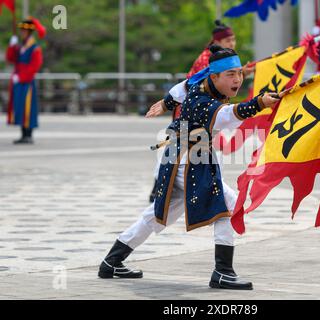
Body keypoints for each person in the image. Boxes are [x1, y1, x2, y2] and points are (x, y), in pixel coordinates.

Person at [98, 45, 279, 290]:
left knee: (157, 215)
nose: (237, 79)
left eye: (239, 73)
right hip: (188, 159)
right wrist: (259, 103)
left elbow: (178, 89)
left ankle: (112, 261)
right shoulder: (203, 101)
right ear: (214, 77)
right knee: (228, 205)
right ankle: (223, 272)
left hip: (180, 156)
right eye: (231, 75)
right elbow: (228, 114)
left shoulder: (200, 81)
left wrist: (165, 103)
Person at [148, 20, 254, 202]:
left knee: (199, 150)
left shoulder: (220, 58)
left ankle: (168, 185)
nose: (232, 44)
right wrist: (167, 103)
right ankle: (160, 185)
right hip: (193, 108)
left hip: (207, 110)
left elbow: (223, 78)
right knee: (176, 150)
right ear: (217, 41)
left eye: (233, 40)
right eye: (228, 40)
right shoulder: (207, 59)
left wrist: (242, 72)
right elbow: (195, 83)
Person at [5, 17, 46, 144]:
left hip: (26, 82)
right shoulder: (20, 47)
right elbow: (10, 59)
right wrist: (11, 46)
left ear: (29, 32)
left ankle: (28, 134)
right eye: (21, 30)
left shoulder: (34, 48)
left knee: (28, 108)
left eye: (24, 30)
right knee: (19, 108)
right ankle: (23, 134)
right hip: (18, 81)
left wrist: (21, 77)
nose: (22, 32)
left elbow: (35, 66)